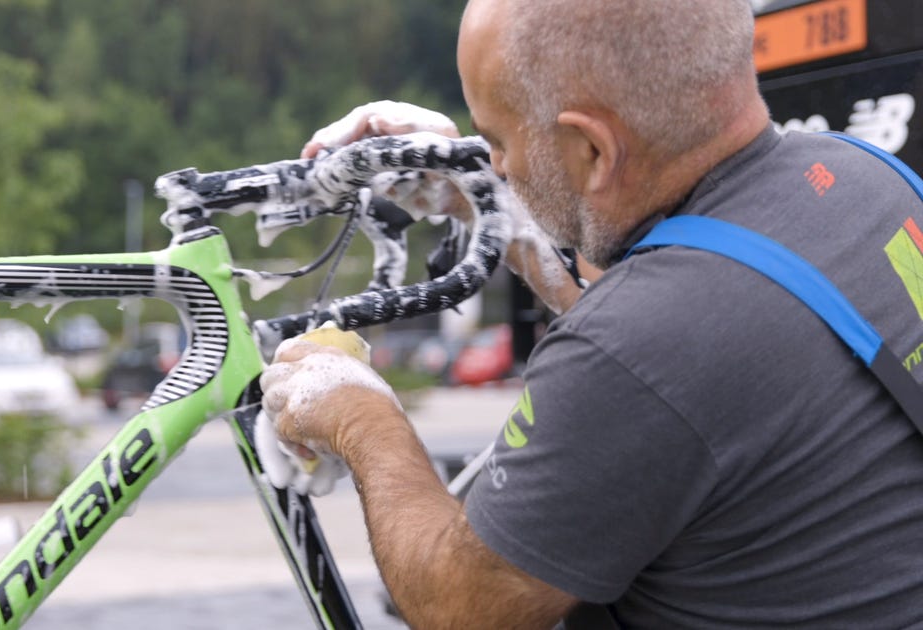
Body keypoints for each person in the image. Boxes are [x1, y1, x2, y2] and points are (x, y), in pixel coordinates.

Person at [261, 0, 923, 627]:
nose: (494, 164)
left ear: (594, 151)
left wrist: (361, 415)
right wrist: (488, 204)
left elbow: (457, 603)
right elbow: (675, 372)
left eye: (496, 141)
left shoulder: (642, 344)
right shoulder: (868, 178)